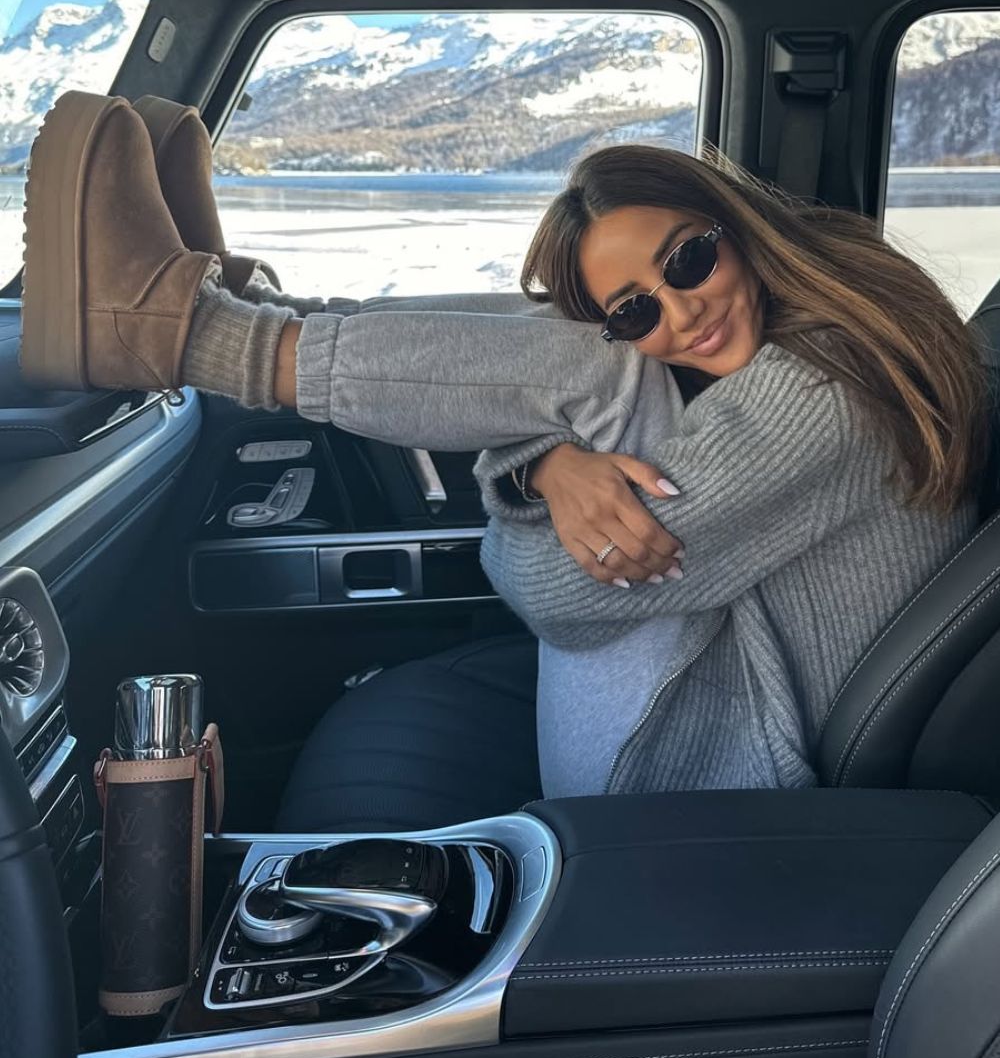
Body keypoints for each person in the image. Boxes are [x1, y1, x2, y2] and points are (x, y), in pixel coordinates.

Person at [20, 92, 987, 798]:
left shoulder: (826, 390)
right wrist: (542, 466)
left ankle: (192, 335)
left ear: (744, 224)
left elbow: (553, 592)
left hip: (713, 766)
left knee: (595, 370)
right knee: (571, 346)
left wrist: (517, 493)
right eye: (638, 306)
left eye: (692, 257)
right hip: (729, 688)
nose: (682, 309)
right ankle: (250, 313)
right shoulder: (840, 330)